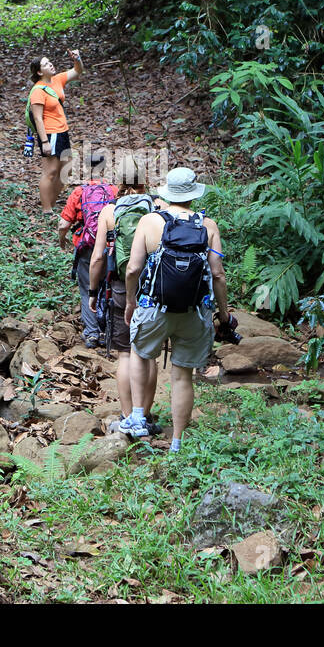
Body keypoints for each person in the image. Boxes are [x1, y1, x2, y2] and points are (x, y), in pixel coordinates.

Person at [119, 167, 228, 453]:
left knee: (141, 355)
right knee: (183, 376)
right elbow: (217, 275)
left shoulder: (149, 221)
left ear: (168, 191)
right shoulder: (209, 225)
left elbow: (133, 268)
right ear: (194, 193)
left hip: (154, 308)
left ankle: (138, 417)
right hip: (194, 313)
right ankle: (177, 442)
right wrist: (224, 314)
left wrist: (131, 301)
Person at [88, 162, 162, 430]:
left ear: (116, 181)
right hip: (153, 289)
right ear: (144, 180)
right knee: (149, 355)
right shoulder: (156, 207)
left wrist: (92, 292)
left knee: (125, 355)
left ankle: (127, 415)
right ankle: (146, 415)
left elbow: (97, 257)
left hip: (119, 288)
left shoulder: (110, 211)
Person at [57, 150, 119, 348]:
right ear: (105, 168)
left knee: (87, 289)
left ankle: (92, 334)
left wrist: (62, 240)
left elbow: (63, 224)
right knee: (108, 287)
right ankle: (108, 332)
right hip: (111, 248)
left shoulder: (79, 192)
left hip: (87, 248)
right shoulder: (114, 191)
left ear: (86, 169)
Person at [27, 50, 82, 212]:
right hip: (50, 133)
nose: (50, 64)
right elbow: (37, 118)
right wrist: (44, 142)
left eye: (49, 61)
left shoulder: (57, 80)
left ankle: (51, 201)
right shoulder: (38, 90)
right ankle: (46, 209)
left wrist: (77, 59)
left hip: (62, 131)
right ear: (39, 72)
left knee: (67, 168)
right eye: (45, 64)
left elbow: (78, 71)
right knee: (50, 171)